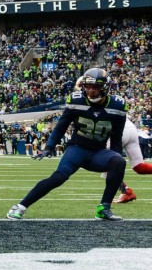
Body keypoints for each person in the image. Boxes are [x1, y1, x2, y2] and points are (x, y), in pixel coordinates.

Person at [8, 68, 127, 221]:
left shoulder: (117, 106)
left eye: (95, 87)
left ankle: (104, 208)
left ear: (104, 87)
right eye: (87, 86)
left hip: (98, 153)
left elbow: (117, 136)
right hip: (77, 149)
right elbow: (61, 126)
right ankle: (20, 206)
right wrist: (50, 147)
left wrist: (115, 166)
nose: (90, 90)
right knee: (58, 178)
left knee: (119, 161)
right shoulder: (76, 100)